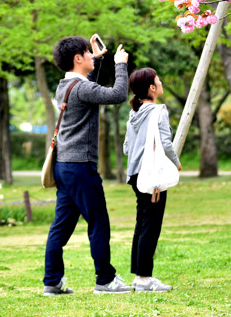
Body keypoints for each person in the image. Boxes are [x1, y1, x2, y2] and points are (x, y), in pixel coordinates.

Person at [43, 36, 133, 296]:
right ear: (77, 58)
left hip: (65, 165)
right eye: (88, 53)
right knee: (98, 222)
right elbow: (117, 95)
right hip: (80, 167)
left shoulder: (66, 86)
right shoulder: (80, 88)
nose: (91, 56)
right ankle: (105, 280)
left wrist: (101, 58)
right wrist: (120, 64)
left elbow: (89, 90)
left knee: (61, 226)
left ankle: (52, 281)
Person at [123, 67, 182, 292]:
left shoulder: (133, 113)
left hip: (135, 174)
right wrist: (176, 162)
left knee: (142, 224)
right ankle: (145, 279)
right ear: (151, 87)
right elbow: (166, 144)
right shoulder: (158, 111)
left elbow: (127, 148)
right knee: (151, 226)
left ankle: (140, 278)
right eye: (158, 79)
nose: (160, 81)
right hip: (152, 176)